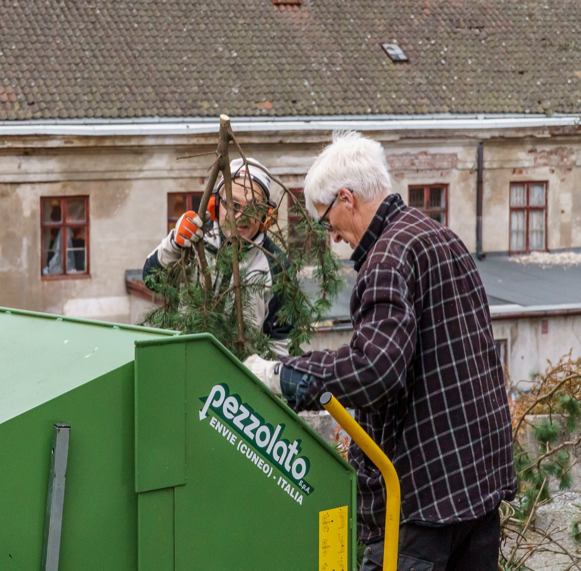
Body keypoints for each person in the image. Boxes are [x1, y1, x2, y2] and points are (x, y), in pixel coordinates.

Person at [245, 131, 516, 571]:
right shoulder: (440, 236)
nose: (331, 236)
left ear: (346, 198)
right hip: (477, 487)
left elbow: (374, 368)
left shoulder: (388, 257)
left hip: (422, 499)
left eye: (325, 219)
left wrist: (282, 374)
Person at [143, 158, 292, 355]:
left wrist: (260, 375)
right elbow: (151, 279)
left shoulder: (276, 264)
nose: (242, 216)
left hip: (242, 374)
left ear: (267, 214)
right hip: (187, 360)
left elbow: (282, 340)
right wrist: (174, 245)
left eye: (253, 207)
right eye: (234, 204)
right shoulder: (195, 241)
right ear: (216, 205)